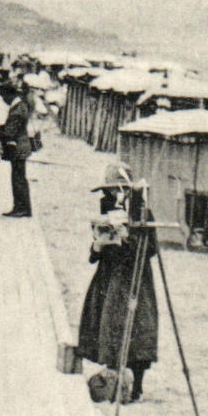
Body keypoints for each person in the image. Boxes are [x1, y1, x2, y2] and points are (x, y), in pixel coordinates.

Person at [77, 165, 159, 402]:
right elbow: (95, 253)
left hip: (134, 277)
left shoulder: (142, 212)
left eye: (117, 190)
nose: (114, 195)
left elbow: (151, 249)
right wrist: (98, 246)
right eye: (110, 191)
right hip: (109, 276)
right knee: (107, 324)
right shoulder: (106, 208)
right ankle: (113, 377)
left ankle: (137, 385)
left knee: (137, 327)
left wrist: (127, 237)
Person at [0, 82, 33, 217]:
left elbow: (10, 131)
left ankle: (21, 208)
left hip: (18, 148)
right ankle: (22, 207)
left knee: (18, 178)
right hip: (22, 146)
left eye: (4, 96)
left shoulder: (17, 109)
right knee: (19, 177)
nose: (3, 100)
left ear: (10, 95)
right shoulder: (19, 106)